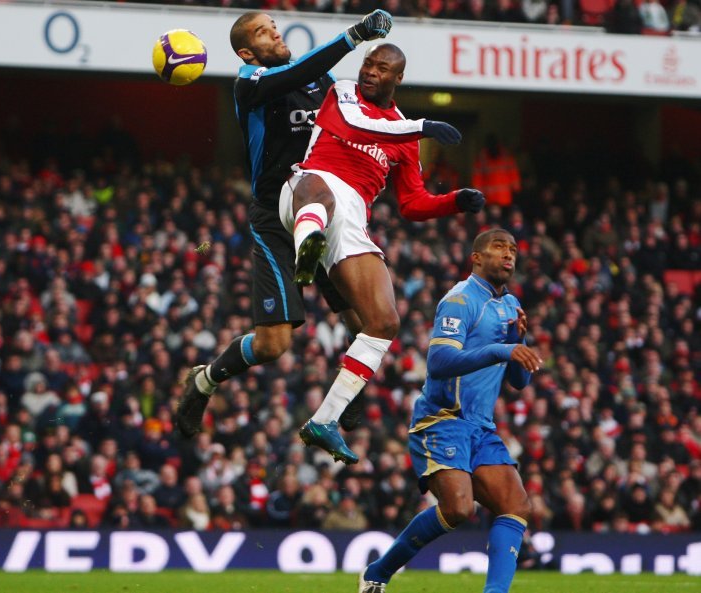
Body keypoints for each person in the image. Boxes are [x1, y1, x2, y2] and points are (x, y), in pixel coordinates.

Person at [176, 8, 394, 438]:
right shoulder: (251, 83)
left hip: (325, 211)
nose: (275, 33)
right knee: (274, 345)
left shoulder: (323, 85)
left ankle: (348, 389)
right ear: (246, 51)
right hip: (275, 218)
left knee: (367, 320)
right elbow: (297, 73)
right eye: (263, 31)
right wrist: (352, 37)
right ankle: (203, 382)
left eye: (274, 26)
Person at [280, 43, 486, 463]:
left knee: (384, 321)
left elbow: (412, 202)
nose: (370, 72)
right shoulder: (344, 93)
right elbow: (357, 128)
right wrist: (424, 125)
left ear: (398, 78)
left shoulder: (403, 135)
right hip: (309, 187)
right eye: (368, 64)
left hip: (353, 217)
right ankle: (306, 247)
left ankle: (324, 420)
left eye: (382, 68)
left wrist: (454, 201)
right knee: (321, 194)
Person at [358, 228, 543, 593]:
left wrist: (516, 343)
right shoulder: (460, 299)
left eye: (513, 249)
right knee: (458, 508)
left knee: (516, 505)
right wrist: (503, 350)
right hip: (442, 419)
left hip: (481, 426)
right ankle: (378, 572)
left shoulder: (510, 305)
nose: (508, 255)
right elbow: (440, 361)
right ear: (476, 257)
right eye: (498, 247)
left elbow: (518, 382)